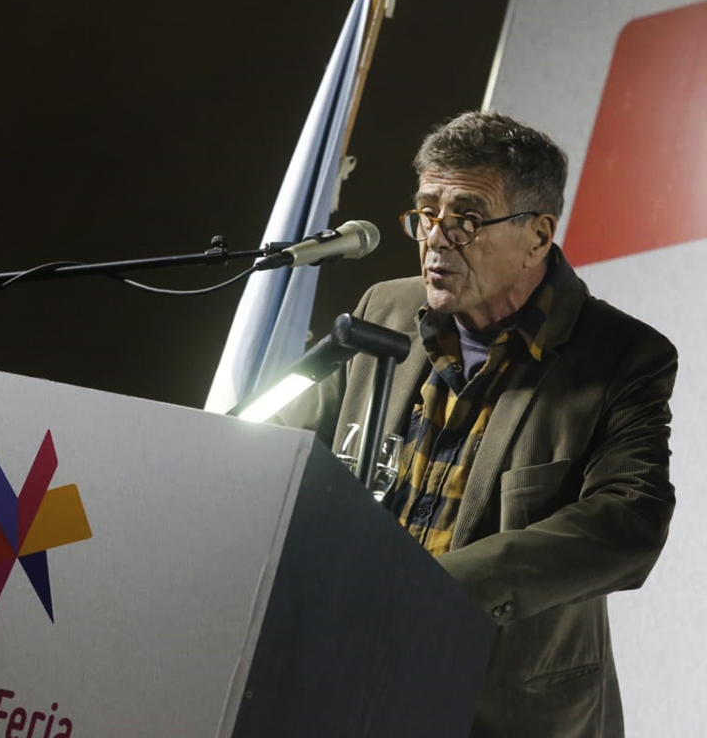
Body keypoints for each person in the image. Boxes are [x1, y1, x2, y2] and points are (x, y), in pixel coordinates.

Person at [283, 111, 677, 737]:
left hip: (496, 707)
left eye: (466, 218)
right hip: (347, 673)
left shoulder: (621, 356)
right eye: (426, 214)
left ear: (537, 237)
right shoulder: (385, 307)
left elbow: (630, 521)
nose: (436, 239)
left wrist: (430, 590)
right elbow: (285, 449)